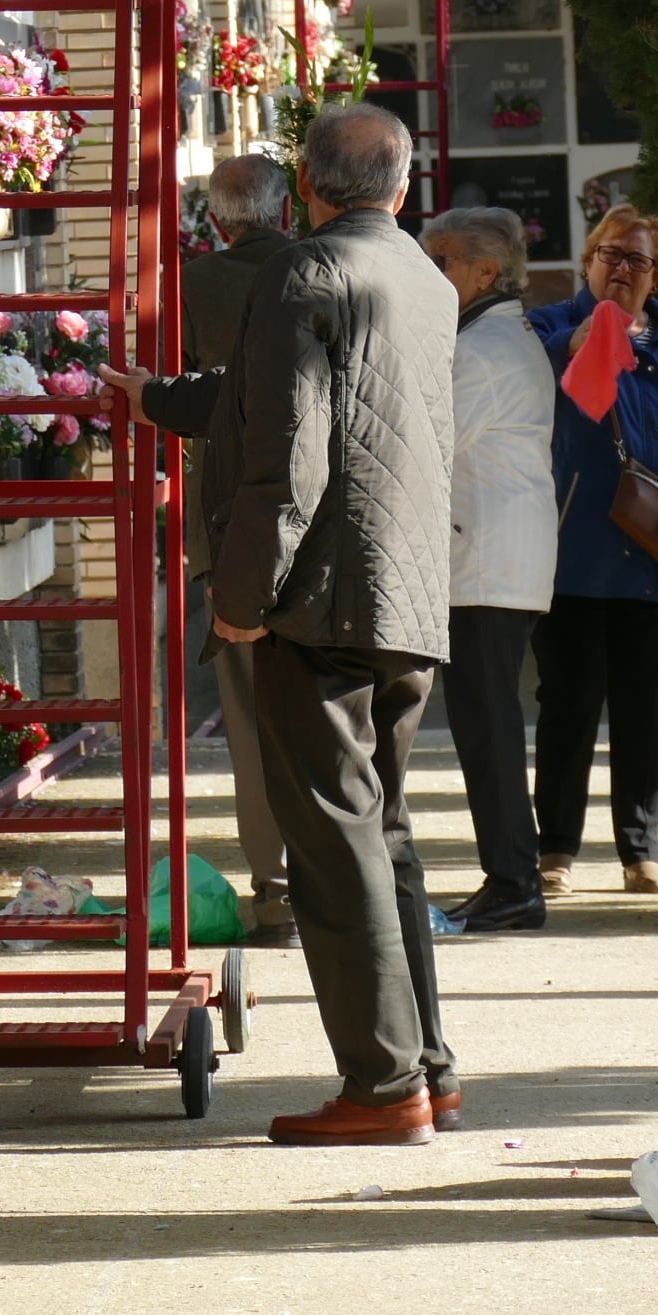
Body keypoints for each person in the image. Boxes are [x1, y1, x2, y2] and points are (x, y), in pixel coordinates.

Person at [100, 106, 461, 1147]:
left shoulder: (306, 272)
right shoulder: (425, 277)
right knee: (384, 835)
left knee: (333, 848)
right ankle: (428, 1069)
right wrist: (162, 399)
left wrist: (240, 600)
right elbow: (273, 398)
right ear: (402, 188)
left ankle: (383, 1087)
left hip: (325, 597)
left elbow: (287, 451)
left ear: (306, 187)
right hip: (406, 594)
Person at [523, 207, 658, 897]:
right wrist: (570, 346)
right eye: (610, 253)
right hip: (571, 553)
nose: (621, 267)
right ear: (587, 262)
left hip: (651, 553)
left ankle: (642, 851)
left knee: (646, 708)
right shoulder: (547, 329)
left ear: (654, 276)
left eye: (637, 259)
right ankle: (556, 850)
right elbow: (521, 391)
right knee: (568, 706)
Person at [419, 207, 559, 933]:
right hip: (493, 558)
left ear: (485, 272)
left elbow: (423, 443)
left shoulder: (481, 349)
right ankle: (511, 879)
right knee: (486, 724)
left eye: (440, 261)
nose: (429, 273)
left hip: (486, 562)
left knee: (488, 727)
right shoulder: (492, 336)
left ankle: (514, 884)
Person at [176, 153, 297, 939]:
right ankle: (344, 884)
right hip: (320, 524)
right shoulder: (319, 270)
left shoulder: (194, 285)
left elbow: (180, 391)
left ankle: (276, 894)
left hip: (225, 527)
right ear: (285, 209)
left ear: (217, 221)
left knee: (250, 723)